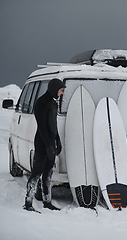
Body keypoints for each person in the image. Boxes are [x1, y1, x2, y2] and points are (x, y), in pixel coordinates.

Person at [23, 78, 66, 213]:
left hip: (51, 143)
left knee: (48, 174)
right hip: (42, 143)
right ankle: (28, 203)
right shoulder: (41, 102)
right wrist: (48, 146)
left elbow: (53, 125)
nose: (62, 93)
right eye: (61, 90)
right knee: (37, 173)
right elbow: (42, 127)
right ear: (54, 89)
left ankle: (47, 202)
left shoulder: (53, 103)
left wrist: (57, 140)